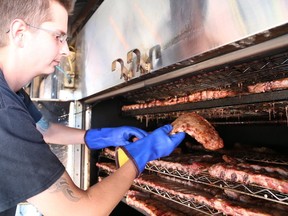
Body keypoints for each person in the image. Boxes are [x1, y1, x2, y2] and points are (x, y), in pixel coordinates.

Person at [0, 1, 186, 215]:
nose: (65, 50)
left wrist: (99, 136)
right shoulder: (3, 110)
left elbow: (44, 129)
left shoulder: (11, 93)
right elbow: (82, 212)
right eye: (58, 36)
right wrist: (141, 156)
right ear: (19, 32)